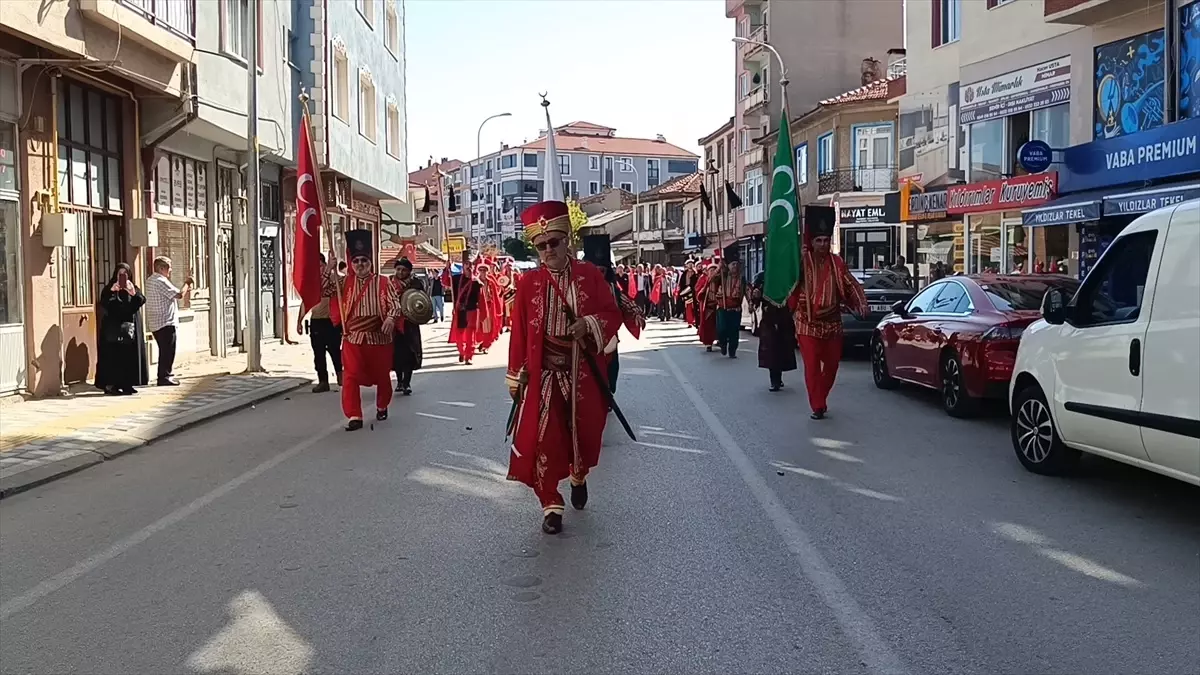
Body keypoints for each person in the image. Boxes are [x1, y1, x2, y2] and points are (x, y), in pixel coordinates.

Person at [790, 208, 868, 419]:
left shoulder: (837, 262)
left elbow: (850, 284)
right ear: (812, 242)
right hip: (807, 323)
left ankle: (820, 396)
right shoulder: (801, 262)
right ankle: (817, 405)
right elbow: (790, 284)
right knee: (812, 367)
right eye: (819, 241)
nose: (823, 244)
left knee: (832, 366)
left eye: (826, 240)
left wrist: (861, 303)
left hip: (833, 323)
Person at [328, 230, 402, 431]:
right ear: (351, 263)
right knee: (350, 376)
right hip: (352, 338)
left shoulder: (383, 282)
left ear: (371, 263)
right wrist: (329, 268)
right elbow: (325, 290)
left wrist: (390, 317)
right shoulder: (343, 282)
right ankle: (354, 415)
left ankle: (382, 405)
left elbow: (395, 305)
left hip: (378, 338)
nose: (360, 264)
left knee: (382, 376)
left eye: (364, 260)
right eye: (356, 260)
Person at [94, 263, 148, 395]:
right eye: (120, 274)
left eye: (125, 274)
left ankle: (127, 384)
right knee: (113, 357)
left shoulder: (132, 287)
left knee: (129, 356)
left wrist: (133, 293)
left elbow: (141, 301)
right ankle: (110, 385)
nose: (122, 277)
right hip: (113, 329)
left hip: (129, 328)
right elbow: (105, 303)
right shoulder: (109, 288)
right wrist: (113, 291)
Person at [298, 253, 343, 393]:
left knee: (335, 351)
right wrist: (299, 321)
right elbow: (306, 301)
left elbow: (327, 287)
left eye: (319, 265)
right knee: (318, 353)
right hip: (316, 321)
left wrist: (330, 269)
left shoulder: (335, 278)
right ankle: (323, 381)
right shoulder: (313, 282)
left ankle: (342, 378)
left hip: (332, 321)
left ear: (324, 264)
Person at [144, 256, 192, 386]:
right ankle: (165, 376)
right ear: (161, 268)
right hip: (165, 321)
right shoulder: (160, 280)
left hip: (155, 322)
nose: (170, 271)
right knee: (168, 351)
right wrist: (187, 284)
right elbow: (179, 295)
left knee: (164, 350)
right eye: (168, 268)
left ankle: (164, 376)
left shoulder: (150, 280)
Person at [750, 270, 797, 392]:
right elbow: (755, 299)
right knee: (771, 350)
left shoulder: (786, 276)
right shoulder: (762, 277)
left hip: (784, 319)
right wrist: (755, 296)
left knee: (782, 350)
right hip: (769, 320)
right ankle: (774, 380)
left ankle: (779, 376)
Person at [390, 257, 424, 395]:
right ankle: (399, 381)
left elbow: (422, 301)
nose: (400, 272)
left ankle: (407, 383)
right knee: (396, 354)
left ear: (409, 271)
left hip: (410, 323)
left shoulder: (416, 283)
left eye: (404, 270)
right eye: (398, 269)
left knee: (409, 354)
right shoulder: (389, 283)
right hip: (394, 323)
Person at [714, 257, 747, 358]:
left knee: (734, 331)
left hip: (735, 309)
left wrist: (751, 303)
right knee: (722, 329)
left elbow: (747, 291)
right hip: (723, 308)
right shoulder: (722, 277)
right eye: (733, 264)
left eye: (736, 264)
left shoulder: (741, 279)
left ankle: (732, 351)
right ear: (728, 266)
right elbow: (711, 280)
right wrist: (718, 268)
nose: (735, 266)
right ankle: (723, 344)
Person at [452, 265, 483, 365]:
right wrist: (446, 269)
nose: (469, 269)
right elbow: (445, 282)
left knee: (471, 335)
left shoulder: (476, 282)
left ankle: (468, 356)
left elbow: (481, 296)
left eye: (471, 267)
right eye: (467, 267)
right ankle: (462, 351)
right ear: (463, 268)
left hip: (472, 310)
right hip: (460, 310)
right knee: (459, 334)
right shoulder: (456, 279)